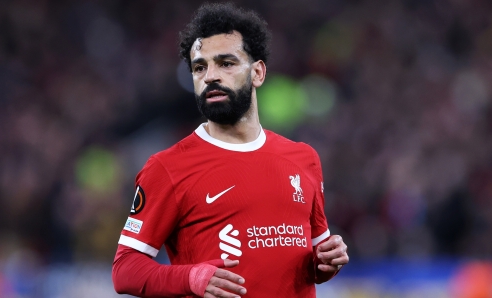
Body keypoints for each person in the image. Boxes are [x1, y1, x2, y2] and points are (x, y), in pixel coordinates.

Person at [112, 3, 349, 297]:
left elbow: (308, 262)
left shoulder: (304, 159)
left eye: (226, 63)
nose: (211, 75)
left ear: (258, 73)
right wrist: (191, 277)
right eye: (200, 67)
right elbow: (125, 270)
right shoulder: (167, 168)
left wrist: (325, 262)